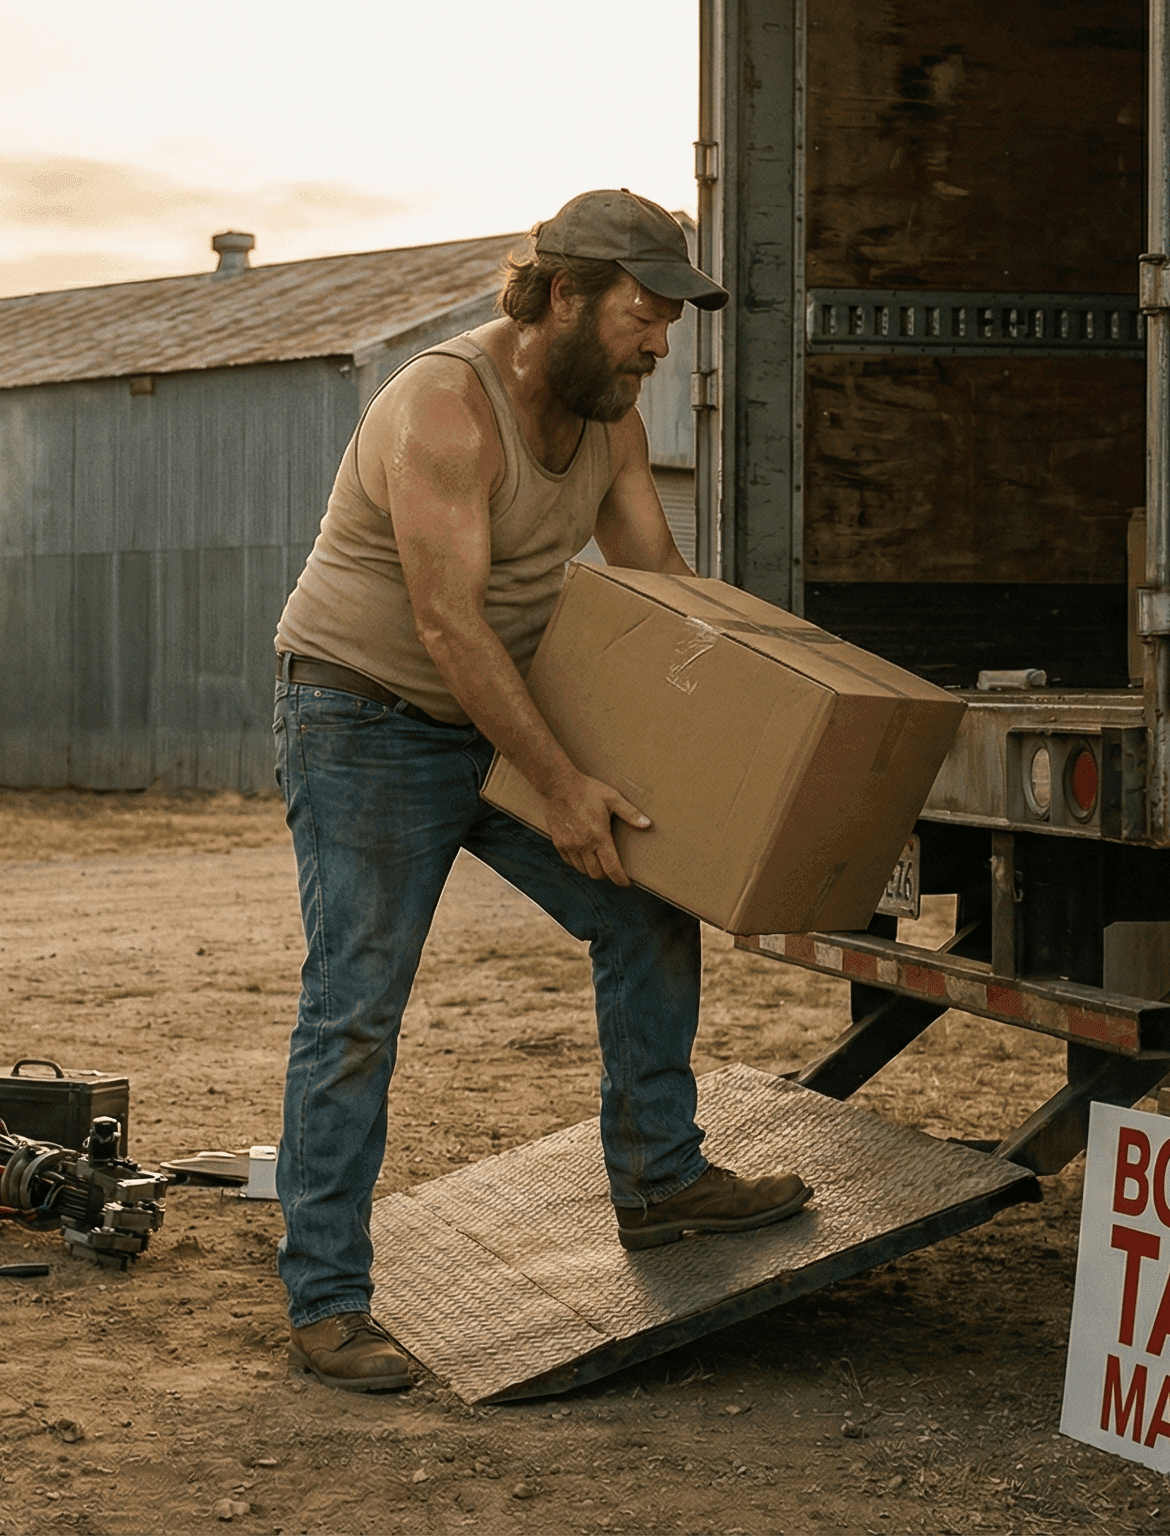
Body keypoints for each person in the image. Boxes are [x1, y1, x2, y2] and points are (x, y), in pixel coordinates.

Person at [269, 189, 812, 1393]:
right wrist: (561, 785)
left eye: (670, 321)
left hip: (497, 701)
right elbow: (446, 623)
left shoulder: (607, 412)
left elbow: (654, 575)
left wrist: (778, 695)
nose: (660, 343)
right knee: (358, 1003)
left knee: (644, 900)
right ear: (563, 292)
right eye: (643, 313)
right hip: (362, 716)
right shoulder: (445, 409)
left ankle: (663, 1183)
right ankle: (324, 1302)